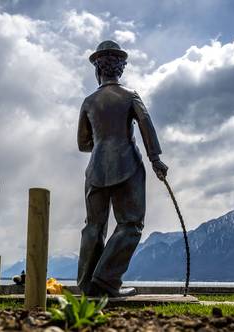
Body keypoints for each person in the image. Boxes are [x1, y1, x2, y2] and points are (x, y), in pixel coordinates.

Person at [77, 40, 168, 297]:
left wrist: (102, 141)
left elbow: (83, 143)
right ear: (121, 69)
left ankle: (87, 285)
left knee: (93, 226)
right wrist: (155, 159)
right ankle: (105, 281)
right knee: (130, 223)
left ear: (98, 70)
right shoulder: (130, 96)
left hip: (96, 168)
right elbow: (146, 125)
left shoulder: (88, 101)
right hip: (127, 164)